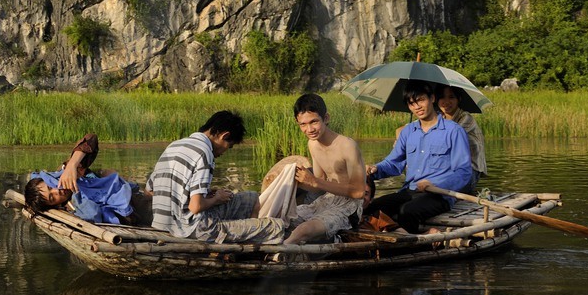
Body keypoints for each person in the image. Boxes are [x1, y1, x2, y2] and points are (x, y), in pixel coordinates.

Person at [148, 110, 285, 243]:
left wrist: (204, 193)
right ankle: (247, 248)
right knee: (275, 227)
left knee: (251, 198)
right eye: (229, 146)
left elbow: (149, 191)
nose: (225, 151)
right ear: (224, 136)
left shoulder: (174, 145)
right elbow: (195, 207)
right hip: (193, 229)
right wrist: (217, 198)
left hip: (161, 223)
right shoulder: (204, 152)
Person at [364, 81, 473, 233]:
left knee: (407, 211)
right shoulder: (408, 132)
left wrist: (434, 183)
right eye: (412, 103)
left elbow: (464, 172)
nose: (417, 107)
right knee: (371, 208)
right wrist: (376, 169)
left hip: (439, 195)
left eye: (421, 100)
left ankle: (413, 243)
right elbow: (393, 163)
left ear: (432, 98)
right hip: (409, 191)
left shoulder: (454, 131)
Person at [280, 93, 369, 245]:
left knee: (304, 230)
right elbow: (318, 187)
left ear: (326, 118)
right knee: (282, 219)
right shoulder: (312, 144)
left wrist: (314, 181)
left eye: (314, 122)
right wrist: (299, 181)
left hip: (349, 207)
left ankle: (280, 253)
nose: (309, 129)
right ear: (297, 122)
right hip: (327, 200)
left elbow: (359, 192)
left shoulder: (347, 145)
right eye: (303, 124)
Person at [24, 133, 151, 225]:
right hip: (134, 210)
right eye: (52, 198)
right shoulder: (74, 205)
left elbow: (91, 138)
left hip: (132, 193)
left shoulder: (68, 175)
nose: (57, 191)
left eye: (50, 187)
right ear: (55, 204)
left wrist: (72, 166)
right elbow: (92, 215)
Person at [435, 84, 486, 190]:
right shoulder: (438, 118)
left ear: (459, 99)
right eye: (442, 97)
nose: (446, 102)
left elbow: (448, 137)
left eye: (451, 97)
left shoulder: (466, 117)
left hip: (469, 171)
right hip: (447, 170)